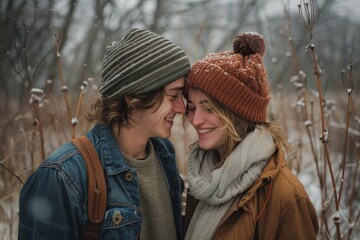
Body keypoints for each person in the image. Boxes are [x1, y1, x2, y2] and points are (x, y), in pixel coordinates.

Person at [18, 28, 190, 240]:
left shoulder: (165, 156)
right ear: (134, 94)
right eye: (173, 95)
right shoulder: (61, 177)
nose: (182, 108)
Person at [183, 32, 319, 239]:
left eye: (209, 108)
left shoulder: (285, 198)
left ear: (238, 114)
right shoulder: (202, 179)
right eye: (192, 108)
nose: (195, 120)